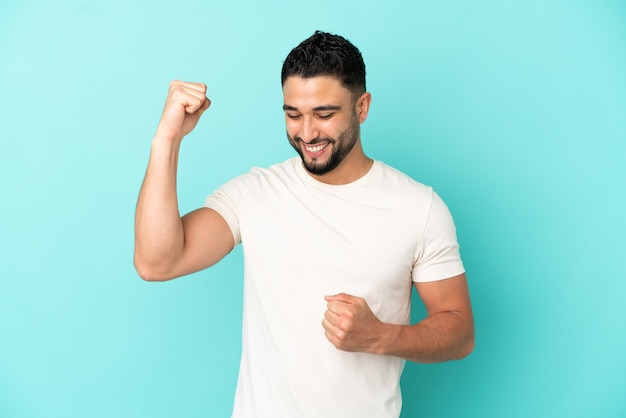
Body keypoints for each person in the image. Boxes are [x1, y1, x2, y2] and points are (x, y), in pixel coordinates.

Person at [134, 31, 474, 418]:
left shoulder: (419, 208)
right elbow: (156, 262)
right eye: (293, 114)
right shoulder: (256, 193)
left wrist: (382, 336)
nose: (307, 133)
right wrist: (168, 139)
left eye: (325, 115)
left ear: (362, 107)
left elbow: (459, 330)